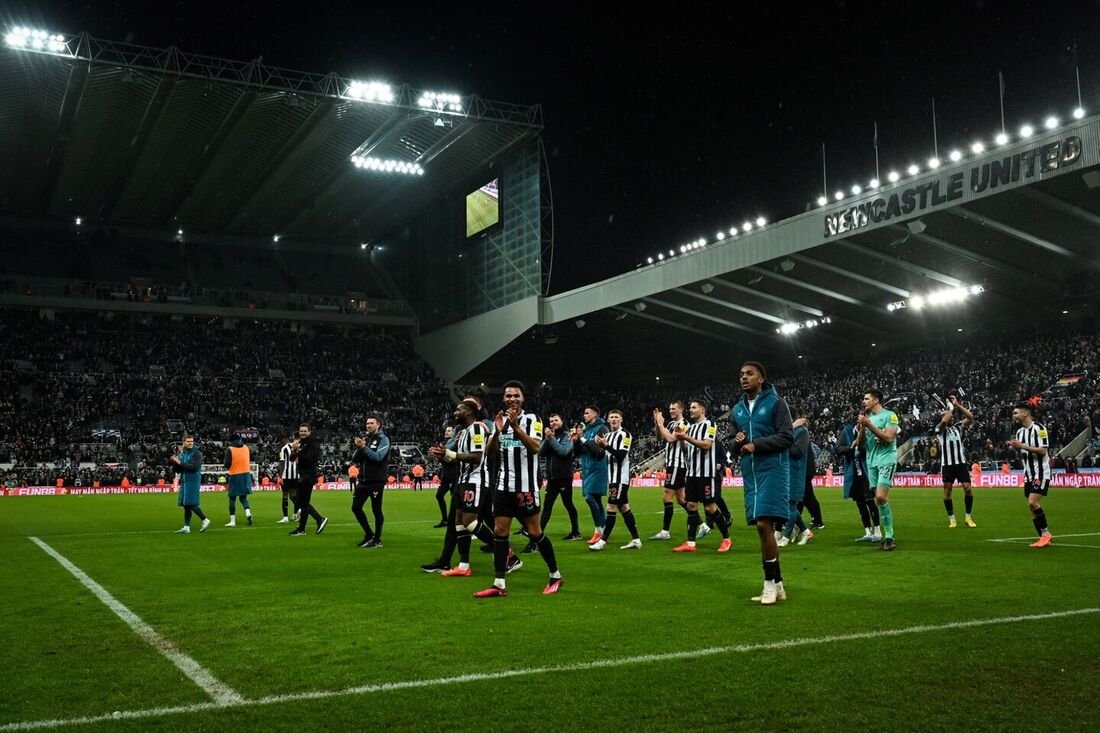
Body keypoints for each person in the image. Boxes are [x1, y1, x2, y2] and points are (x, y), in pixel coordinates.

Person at [474, 381, 563, 597]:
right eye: (508, 396)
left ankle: (556, 575)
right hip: (503, 487)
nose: (512, 399)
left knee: (535, 532)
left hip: (526, 488)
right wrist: (496, 432)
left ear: (523, 398)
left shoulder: (533, 419)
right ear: (503, 398)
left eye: (516, 395)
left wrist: (515, 427)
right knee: (500, 532)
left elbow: (535, 448)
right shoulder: (500, 420)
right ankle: (499, 584)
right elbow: (490, 451)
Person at [731, 361, 794, 605]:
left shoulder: (776, 403)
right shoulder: (737, 410)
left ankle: (768, 584)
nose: (744, 377)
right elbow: (731, 445)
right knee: (762, 528)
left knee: (763, 525)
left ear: (761, 378)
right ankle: (778, 585)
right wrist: (736, 442)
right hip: (751, 474)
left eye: (749, 374)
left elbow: (787, 436)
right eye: (741, 374)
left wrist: (757, 445)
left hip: (773, 470)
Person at [428, 399, 497, 577]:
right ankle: (464, 566)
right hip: (462, 480)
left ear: (469, 412)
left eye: (459, 410)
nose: (455, 413)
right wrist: (443, 454)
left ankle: (504, 552)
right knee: (459, 523)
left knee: (470, 522)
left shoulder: (477, 429)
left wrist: (449, 454)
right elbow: (460, 455)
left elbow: (477, 457)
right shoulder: (463, 432)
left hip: (475, 481)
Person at [673, 399, 732, 553]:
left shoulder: (710, 425)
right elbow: (688, 451)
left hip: (706, 474)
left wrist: (685, 438)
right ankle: (690, 543)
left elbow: (706, 445)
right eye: (690, 407)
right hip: (692, 474)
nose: (691, 410)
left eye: (694, 407)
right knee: (691, 506)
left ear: (702, 410)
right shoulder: (690, 429)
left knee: (710, 507)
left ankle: (726, 539)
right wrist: (681, 441)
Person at [590, 409, 641, 550]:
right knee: (624, 507)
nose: (613, 419)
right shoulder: (607, 435)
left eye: (616, 417)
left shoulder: (625, 435)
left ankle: (603, 541)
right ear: (608, 420)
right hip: (612, 478)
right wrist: (599, 447)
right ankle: (636, 539)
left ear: (621, 419)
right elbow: (601, 456)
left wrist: (606, 446)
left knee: (610, 507)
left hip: (620, 478)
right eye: (611, 417)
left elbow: (621, 455)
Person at [857, 389, 900, 552]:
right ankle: (887, 536)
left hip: (886, 460)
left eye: (867, 398)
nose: (864, 401)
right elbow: (861, 444)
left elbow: (889, 438)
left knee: (881, 497)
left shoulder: (890, 415)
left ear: (876, 400)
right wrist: (862, 427)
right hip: (871, 462)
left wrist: (869, 424)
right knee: (878, 499)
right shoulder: (868, 419)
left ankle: (889, 536)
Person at [533, 413, 582, 549]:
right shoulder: (552, 437)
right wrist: (547, 438)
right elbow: (541, 452)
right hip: (552, 479)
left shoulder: (567, 435)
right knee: (547, 507)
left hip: (564, 478)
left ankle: (576, 531)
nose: (553, 422)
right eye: (551, 421)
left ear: (561, 421)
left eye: (556, 420)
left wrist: (551, 438)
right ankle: (537, 539)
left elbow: (563, 452)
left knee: (568, 504)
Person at [1009, 403, 1053, 548]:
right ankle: (1042, 537)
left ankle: (1046, 534)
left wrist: (1022, 446)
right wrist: (1016, 449)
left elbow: (1043, 451)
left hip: (1041, 472)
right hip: (1028, 473)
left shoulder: (1040, 429)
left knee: (1033, 502)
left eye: (1016, 413)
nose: (1013, 416)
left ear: (1025, 413)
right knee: (1031, 506)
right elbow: (1021, 455)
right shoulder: (1019, 433)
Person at [836, 417, 880, 542]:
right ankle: (867, 531)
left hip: (867, 473)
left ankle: (877, 531)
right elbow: (838, 449)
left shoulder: (870, 432)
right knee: (860, 504)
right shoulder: (847, 431)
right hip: (853, 474)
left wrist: (859, 446)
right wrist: (851, 448)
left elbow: (870, 450)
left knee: (870, 501)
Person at [936, 394, 977, 528]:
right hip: (947, 465)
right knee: (947, 492)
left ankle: (968, 518)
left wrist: (957, 405)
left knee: (968, 489)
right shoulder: (940, 430)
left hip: (961, 464)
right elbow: (945, 419)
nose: (952, 417)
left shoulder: (958, 427)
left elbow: (970, 417)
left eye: (953, 416)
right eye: (950, 416)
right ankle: (952, 519)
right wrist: (950, 408)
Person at [650, 400, 689, 540]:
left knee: (667, 496)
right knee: (681, 499)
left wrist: (661, 424)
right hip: (672, 464)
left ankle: (665, 532)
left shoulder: (684, 424)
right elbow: (660, 437)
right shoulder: (672, 424)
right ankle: (702, 525)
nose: (671, 410)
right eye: (670, 408)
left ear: (681, 410)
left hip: (677, 464)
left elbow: (672, 439)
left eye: (674, 408)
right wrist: (657, 423)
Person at [351, 415, 390, 548]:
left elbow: (378, 457)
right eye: (367, 423)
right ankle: (369, 534)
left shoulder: (383, 440)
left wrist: (364, 448)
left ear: (378, 424)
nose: (368, 425)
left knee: (376, 510)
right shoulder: (365, 439)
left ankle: (377, 540)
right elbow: (354, 459)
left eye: (371, 423)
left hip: (376, 481)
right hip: (363, 481)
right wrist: (359, 447)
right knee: (355, 507)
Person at [573, 405, 609, 545]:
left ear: (595, 414)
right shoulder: (586, 430)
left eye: (587, 413)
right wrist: (577, 441)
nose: (584, 415)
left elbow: (598, 452)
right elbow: (578, 453)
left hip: (598, 468)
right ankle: (604, 529)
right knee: (597, 500)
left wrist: (582, 439)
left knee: (590, 498)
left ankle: (598, 530)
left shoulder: (602, 429)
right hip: (587, 470)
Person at [289, 424, 328, 536]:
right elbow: (292, 458)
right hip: (302, 475)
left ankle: (315, 521)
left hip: (309, 475)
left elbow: (308, 459)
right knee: (300, 501)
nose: (302, 433)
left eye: (305, 431)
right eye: (301, 431)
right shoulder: (301, 443)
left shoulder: (313, 444)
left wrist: (298, 451)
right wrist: (295, 450)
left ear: (309, 432)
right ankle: (313, 522)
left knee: (301, 501)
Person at [779, 417, 811, 547]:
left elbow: (797, 452)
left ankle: (785, 538)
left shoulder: (802, 432)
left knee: (790, 506)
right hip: (785, 472)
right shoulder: (791, 431)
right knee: (788, 506)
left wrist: (784, 442)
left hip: (795, 473)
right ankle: (806, 531)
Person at [171, 435, 210, 534]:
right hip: (184, 481)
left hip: (193, 481)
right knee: (186, 505)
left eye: (191, 441)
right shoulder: (182, 454)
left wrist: (179, 462)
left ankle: (205, 519)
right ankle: (186, 527)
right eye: (188, 441)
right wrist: (175, 462)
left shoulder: (197, 454)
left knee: (191, 503)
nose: (190, 443)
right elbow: (178, 469)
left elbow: (194, 467)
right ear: (183, 442)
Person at [223, 434, 253, 527]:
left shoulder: (230, 449)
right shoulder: (246, 447)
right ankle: (248, 512)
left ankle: (232, 521)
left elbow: (227, 464)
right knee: (243, 498)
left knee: (232, 498)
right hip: (246, 475)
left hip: (235, 475)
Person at [433, 426, 457, 528]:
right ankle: (445, 520)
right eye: (446, 431)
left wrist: (441, 456)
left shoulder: (455, 445)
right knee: (439, 495)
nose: (446, 432)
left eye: (449, 431)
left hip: (454, 475)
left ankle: (454, 521)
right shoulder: (444, 444)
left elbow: (454, 460)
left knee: (455, 500)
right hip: (446, 477)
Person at [276, 434, 299, 524]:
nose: (280, 443)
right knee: (293, 496)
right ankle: (295, 514)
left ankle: (285, 517)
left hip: (286, 476)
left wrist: (280, 476)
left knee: (285, 495)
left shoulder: (284, 448)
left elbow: (282, 463)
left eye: (281, 441)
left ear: (284, 439)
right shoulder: (298, 447)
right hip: (296, 476)